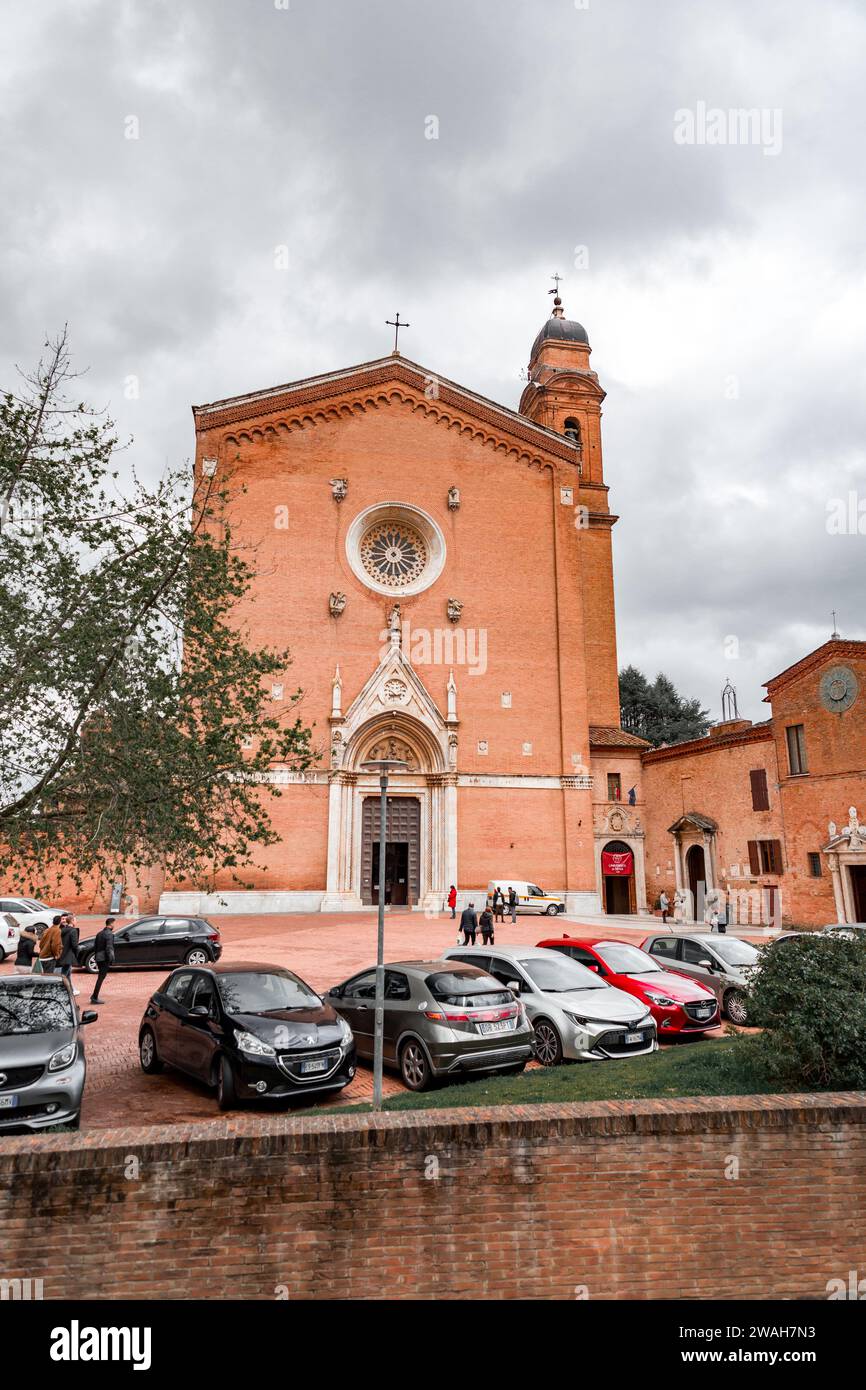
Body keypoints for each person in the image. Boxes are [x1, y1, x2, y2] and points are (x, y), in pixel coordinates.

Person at [90, 916, 117, 1004]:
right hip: (104, 958)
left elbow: (95, 947)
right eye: (114, 923)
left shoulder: (99, 933)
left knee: (100, 977)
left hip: (98, 957)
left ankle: (94, 996)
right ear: (111, 924)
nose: (114, 925)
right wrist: (112, 959)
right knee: (101, 978)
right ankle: (94, 997)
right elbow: (109, 948)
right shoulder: (109, 934)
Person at [59, 913, 81, 995]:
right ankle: (61, 991)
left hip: (63, 954)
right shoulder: (73, 930)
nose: (76, 921)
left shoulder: (62, 930)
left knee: (67, 975)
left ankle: (70, 990)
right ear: (72, 921)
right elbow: (74, 945)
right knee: (64, 975)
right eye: (75, 920)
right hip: (69, 955)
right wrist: (78, 950)